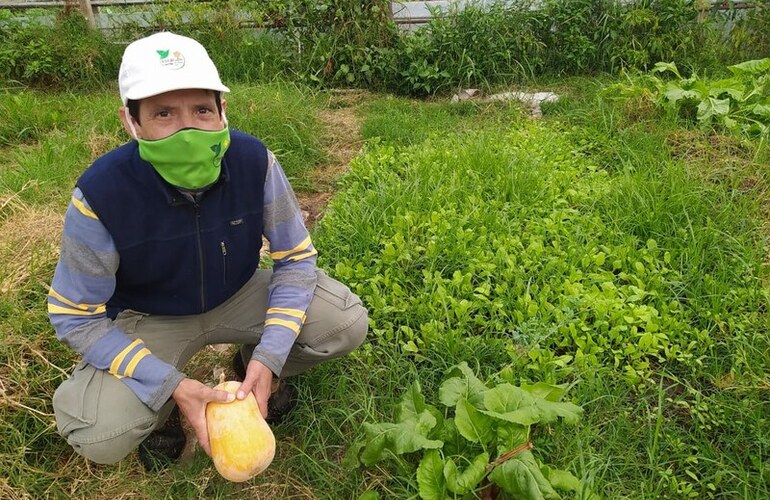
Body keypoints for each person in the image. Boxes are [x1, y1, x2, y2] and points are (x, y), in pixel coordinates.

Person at [47, 31, 368, 471]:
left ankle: (248, 370)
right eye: (163, 113)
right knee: (98, 430)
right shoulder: (102, 194)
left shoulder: (254, 162)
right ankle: (162, 412)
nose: (188, 128)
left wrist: (270, 356)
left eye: (201, 109)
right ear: (131, 122)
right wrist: (169, 384)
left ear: (222, 112)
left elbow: (294, 259)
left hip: (237, 293)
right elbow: (74, 316)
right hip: (147, 317)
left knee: (343, 322)